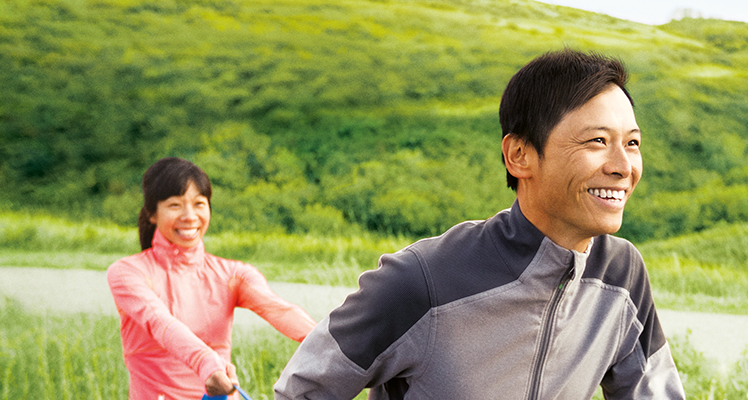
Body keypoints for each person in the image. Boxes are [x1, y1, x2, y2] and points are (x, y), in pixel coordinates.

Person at [274, 49, 685, 399]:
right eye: (597, 141)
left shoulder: (622, 274)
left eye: (632, 143)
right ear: (520, 155)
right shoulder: (422, 279)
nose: (622, 166)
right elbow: (302, 389)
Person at [108, 157, 318, 400]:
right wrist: (206, 362)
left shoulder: (233, 274)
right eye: (175, 205)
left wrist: (336, 345)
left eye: (199, 203)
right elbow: (161, 323)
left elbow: (280, 310)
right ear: (152, 213)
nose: (189, 216)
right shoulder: (128, 273)